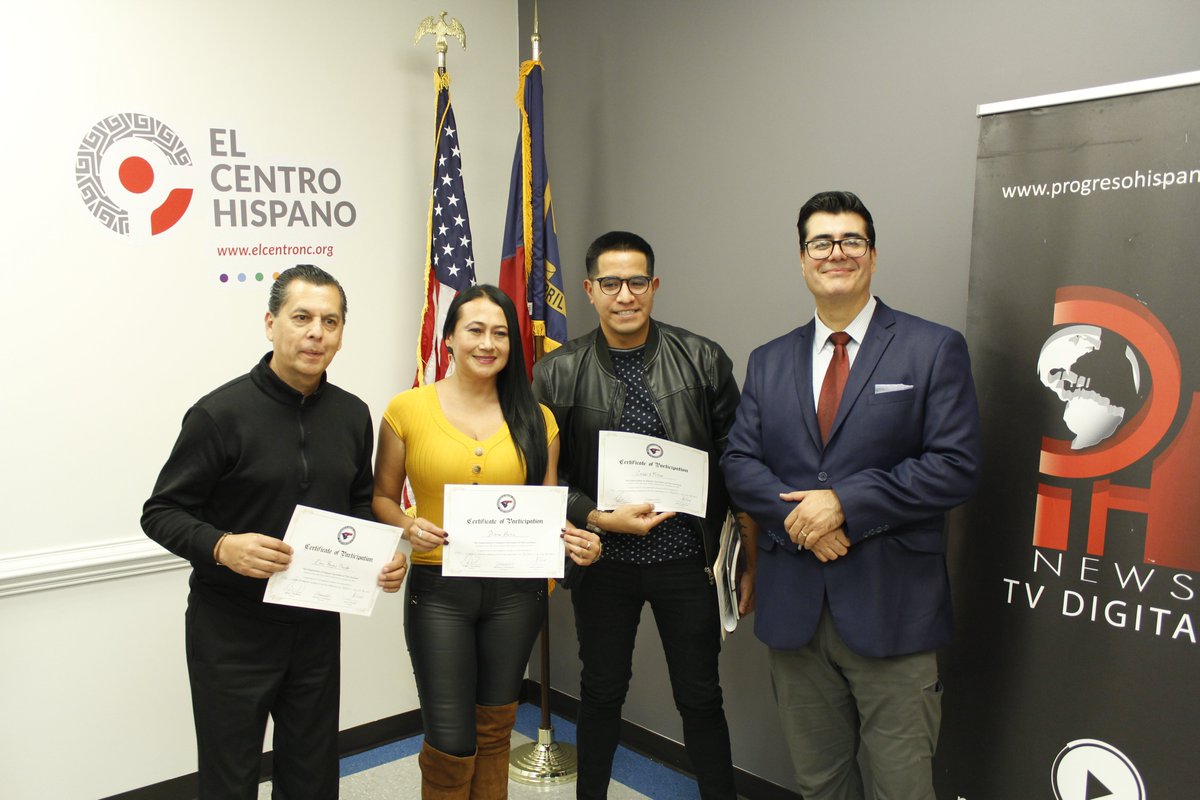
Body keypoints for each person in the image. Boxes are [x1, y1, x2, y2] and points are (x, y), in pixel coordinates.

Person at [720, 191, 982, 799]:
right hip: (796, 612)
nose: (836, 252)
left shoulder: (931, 347)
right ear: (803, 258)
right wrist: (803, 521)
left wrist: (845, 503)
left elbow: (955, 466)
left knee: (902, 786)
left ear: (872, 253)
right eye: (821, 242)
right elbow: (739, 461)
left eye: (851, 241)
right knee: (821, 782)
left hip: (893, 610)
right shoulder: (768, 360)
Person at [141, 264, 408, 800]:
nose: (316, 333)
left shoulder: (353, 415)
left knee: (311, 772)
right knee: (231, 775)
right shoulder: (220, 414)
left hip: (314, 625)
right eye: (302, 317)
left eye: (330, 322)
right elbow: (162, 511)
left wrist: (384, 554)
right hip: (231, 629)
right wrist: (221, 546)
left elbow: (357, 505)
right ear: (270, 323)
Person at [533, 231, 755, 800]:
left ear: (654, 286)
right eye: (610, 283)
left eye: (637, 282)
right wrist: (598, 518)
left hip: (686, 558)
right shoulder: (557, 372)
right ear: (589, 290)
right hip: (602, 560)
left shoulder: (702, 357)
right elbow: (544, 479)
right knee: (601, 692)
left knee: (701, 696)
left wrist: (746, 558)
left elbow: (738, 460)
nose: (624, 295)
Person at [372, 284, 601, 799]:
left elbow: (549, 508)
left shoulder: (536, 418)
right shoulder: (406, 410)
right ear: (449, 336)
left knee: (496, 729)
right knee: (451, 739)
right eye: (475, 329)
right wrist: (408, 526)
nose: (488, 342)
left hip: (517, 594)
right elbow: (382, 498)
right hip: (437, 591)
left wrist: (578, 541)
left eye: (500, 332)